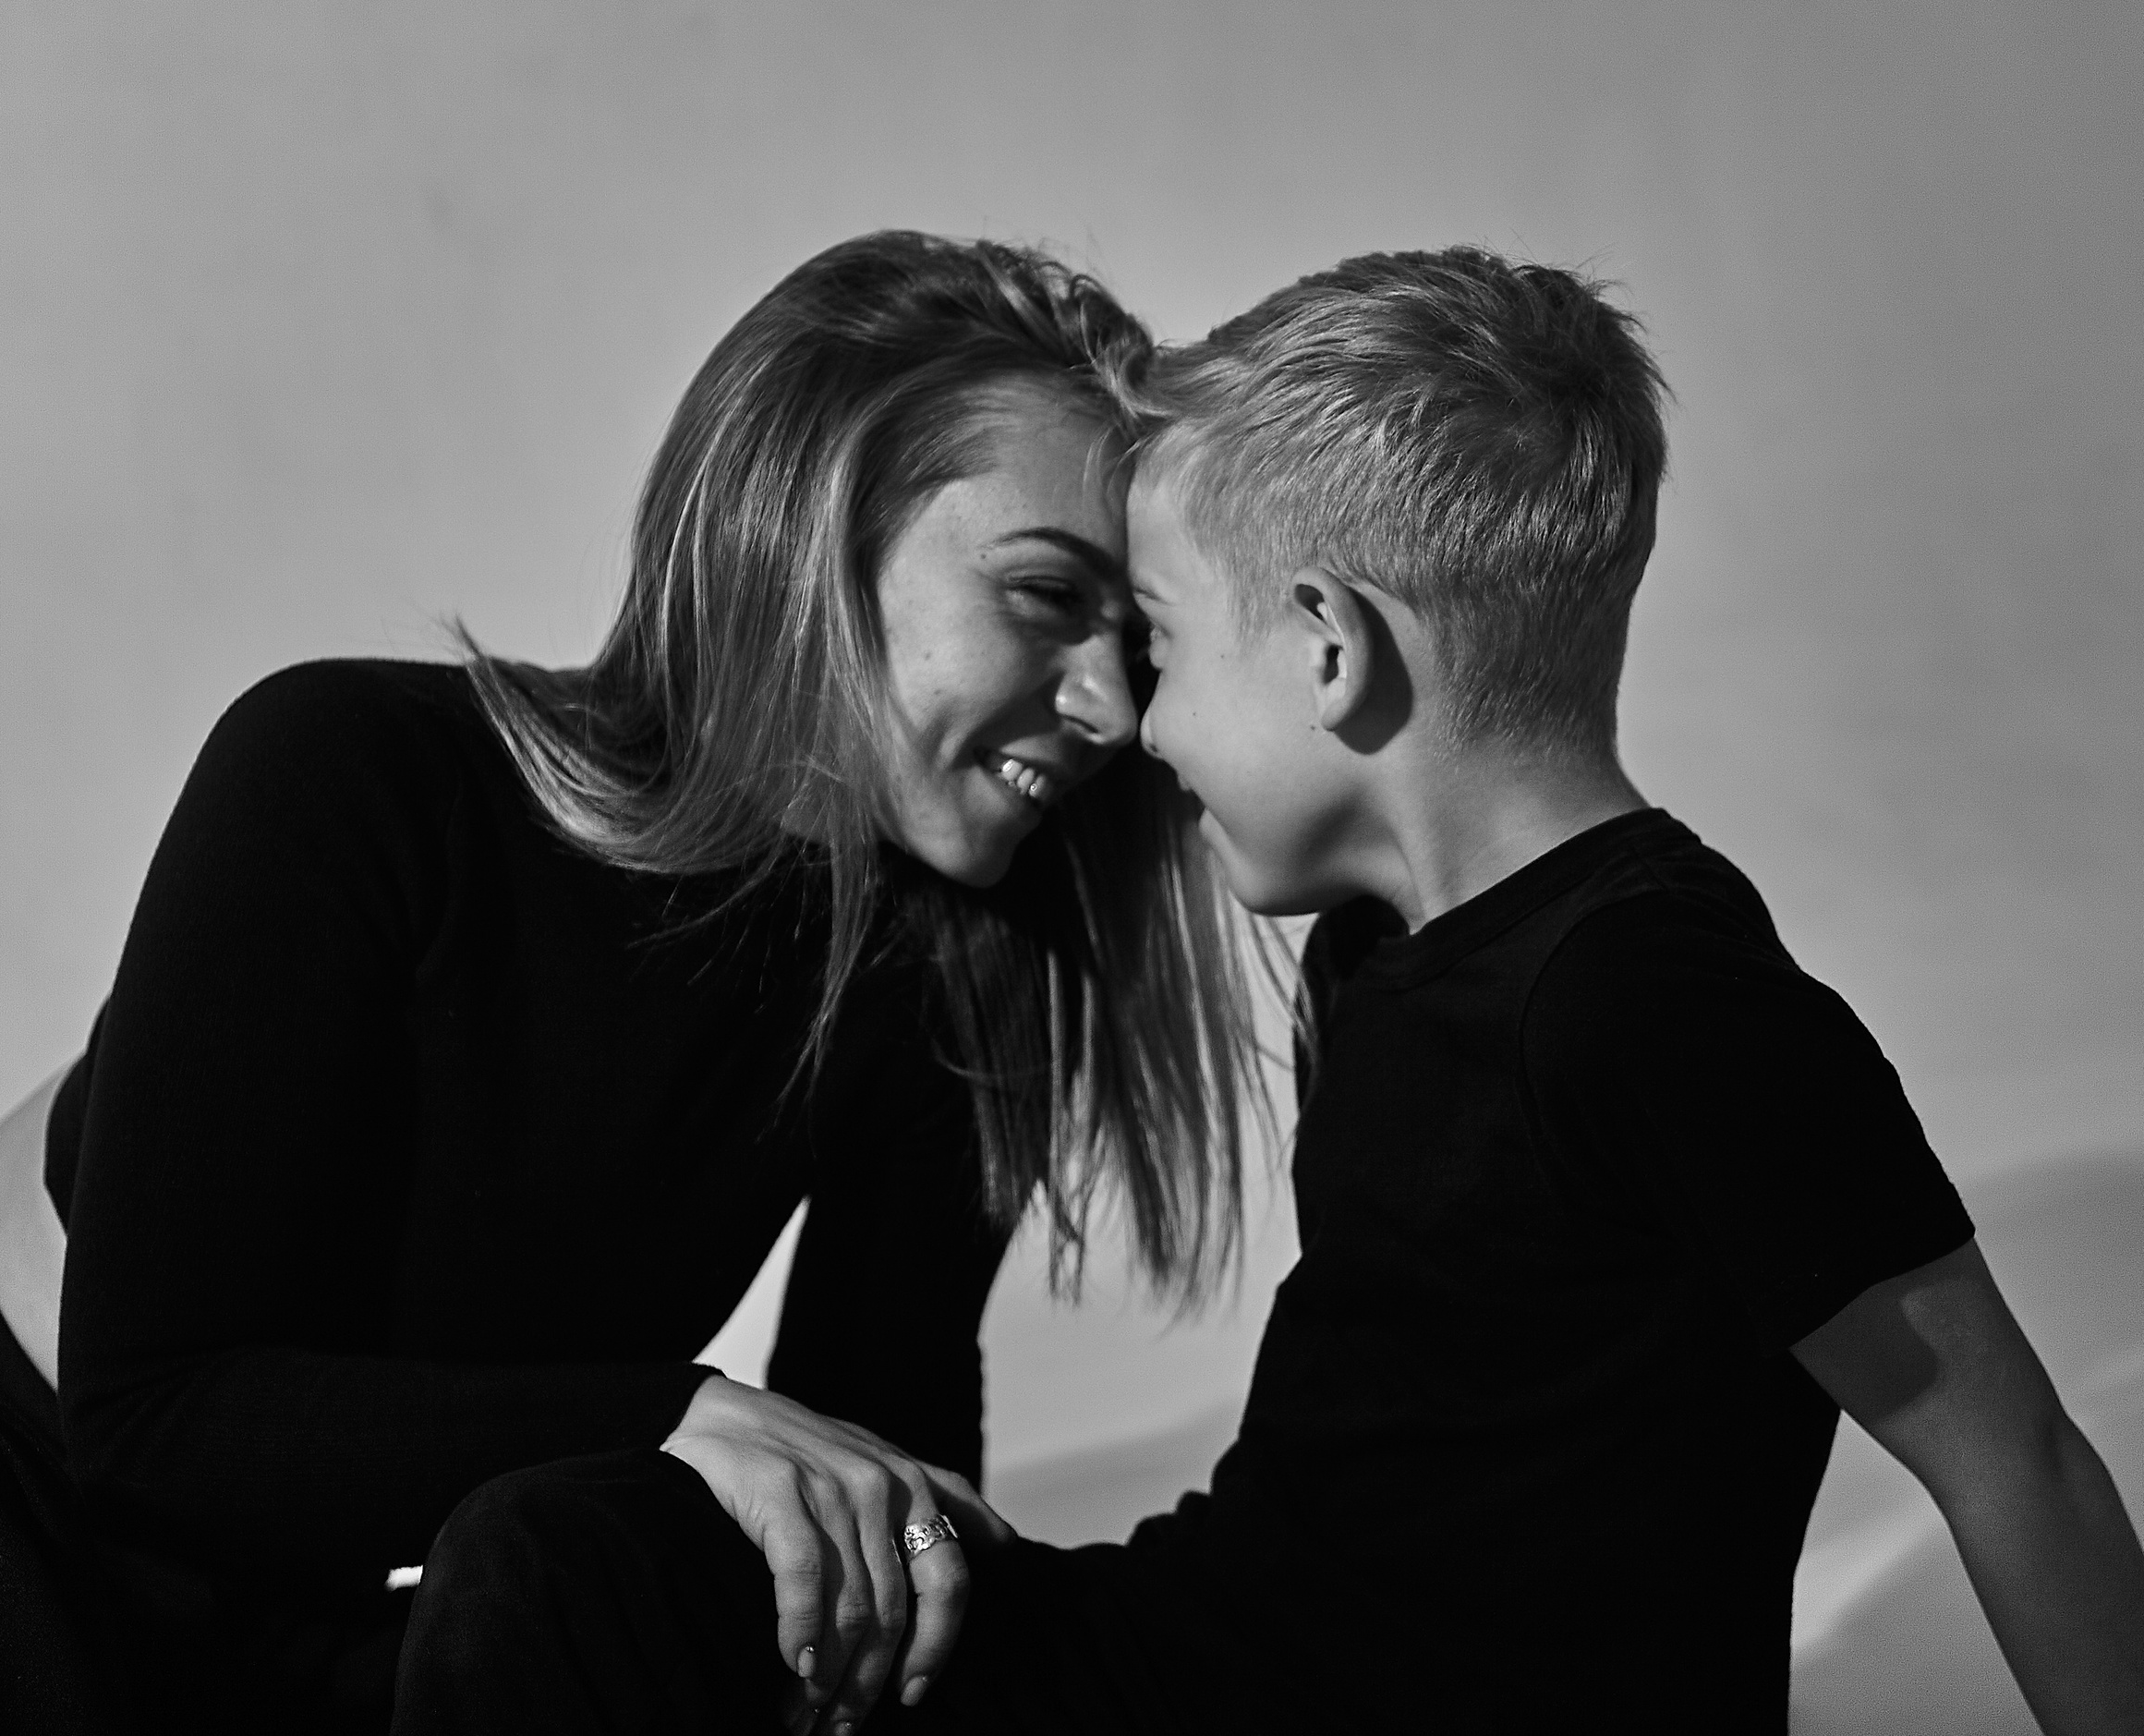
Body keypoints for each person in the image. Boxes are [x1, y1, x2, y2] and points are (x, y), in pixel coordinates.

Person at [408, 245, 2144, 1735]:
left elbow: (2015, 1462)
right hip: (1217, 1661)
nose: (1137, 728)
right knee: (572, 1558)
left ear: (1329, 644)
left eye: (1160, 643)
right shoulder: (1373, 959)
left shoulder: (1662, 1001)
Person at [0, 230, 1261, 1735]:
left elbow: (866, 1491)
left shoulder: (955, 971)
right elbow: (151, 1420)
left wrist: (920, 1566)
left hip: (260, 1630)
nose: (1111, 703)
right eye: (1043, 596)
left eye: (1135, 642)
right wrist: (674, 1419)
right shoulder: (356, 774)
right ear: (818, 523)